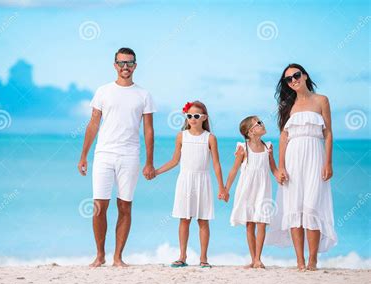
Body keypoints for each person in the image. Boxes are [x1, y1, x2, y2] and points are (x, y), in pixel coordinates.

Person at [77, 47, 156, 267]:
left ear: (135, 66)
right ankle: (100, 255)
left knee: (125, 206)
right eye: (121, 63)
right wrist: (84, 155)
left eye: (129, 63)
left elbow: (149, 130)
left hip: (130, 155)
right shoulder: (103, 91)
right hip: (104, 154)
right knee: (99, 206)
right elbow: (93, 123)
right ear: (114, 65)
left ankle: (118, 257)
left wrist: (150, 162)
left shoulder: (144, 95)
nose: (125, 67)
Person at [265, 63, 337, 271]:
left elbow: (328, 133)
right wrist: (280, 168)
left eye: (296, 75)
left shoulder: (321, 100)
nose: (293, 80)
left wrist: (328, 162)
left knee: (312, 206)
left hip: (315, 155)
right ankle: (300, 261)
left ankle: (313, 260)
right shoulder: (287, 106)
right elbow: (283, 137)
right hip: (293, 158)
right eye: (288, 79)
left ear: (305, 75)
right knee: (294, 208)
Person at [155, 101, 227, 268]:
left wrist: (222, 187)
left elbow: (216, 164)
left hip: (203, 181)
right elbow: (175, 160)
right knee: (184, 219)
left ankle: (203, 258)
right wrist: (157, 171)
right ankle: (182, 256)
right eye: (189, 116)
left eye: (196, 116)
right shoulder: (182, 136)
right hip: (185, 181)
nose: (192, 119)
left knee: (203, 220)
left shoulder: (210, 138)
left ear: (204, 118)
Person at [224, 116, 280, 269]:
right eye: (259, 123)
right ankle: (253, 258)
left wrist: (279, 176)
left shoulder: (268, 147)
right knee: (250, 224)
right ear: (250, 132)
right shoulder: (243, 148)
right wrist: (225, 189)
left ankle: (258, 259)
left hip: (263, 189)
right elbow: (234, 170)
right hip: (247, 189)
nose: (263, 124)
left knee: (262, 222)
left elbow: (273, 168)